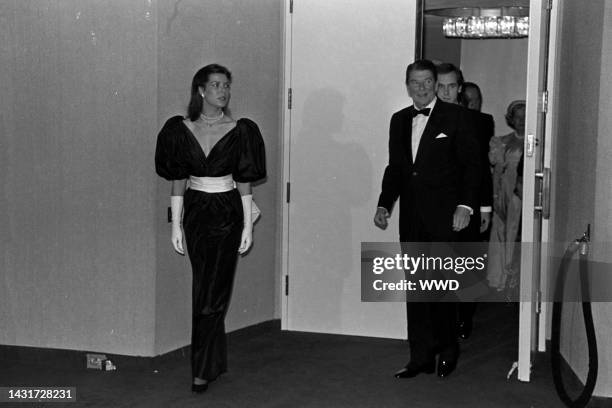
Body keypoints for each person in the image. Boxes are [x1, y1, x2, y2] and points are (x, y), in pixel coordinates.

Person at [155, 64, 266, 393]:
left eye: (227, 86)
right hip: (196, 212)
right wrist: (176, 222)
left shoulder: (241, 129)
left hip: (228, 211)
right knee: (206, 287)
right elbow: (177, 177)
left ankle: (202, 370)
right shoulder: (180, 129)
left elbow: (245, 180)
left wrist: (248, 225)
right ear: (200, 90)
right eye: (216, 85)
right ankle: (213, 362)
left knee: (212, 292)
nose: (223, 91)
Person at [374, 59, 481, 379]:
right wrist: (384, 204)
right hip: (412, 218)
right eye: (414, 82)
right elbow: (396, 168)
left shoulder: (457, 117)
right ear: (407, 85)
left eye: (426, 82)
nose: (420, 88)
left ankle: (448, 350)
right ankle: (419, 356)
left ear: (435, 84)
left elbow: (473, 167)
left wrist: (466, 206)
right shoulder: (399, 120)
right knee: (418, 289)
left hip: (446, 218)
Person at [486, 100, 526, 293]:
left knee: (521, 234)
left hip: (525, 194)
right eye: (518, 117)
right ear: (511, 119)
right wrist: (494, 195)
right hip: (505, 194)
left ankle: (519, 280)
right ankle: (501, 278)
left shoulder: (534, 142)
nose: (522, 121)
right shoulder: (502, 142)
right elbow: (497, 172)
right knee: (502, 233)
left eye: (525, 117)